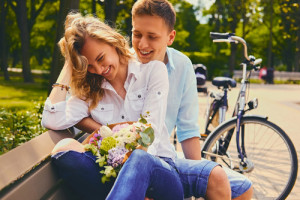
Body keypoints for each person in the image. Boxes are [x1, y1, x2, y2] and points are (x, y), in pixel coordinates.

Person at [76, 0, 254, 199]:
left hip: (167, 156)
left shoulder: (182, 65)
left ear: (170, 37)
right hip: (129, 158)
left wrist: (197, 183)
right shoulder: (117, 64)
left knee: (243, 187)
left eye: (152, 37)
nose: (142, 44)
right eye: (137, 34)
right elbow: (75, 107)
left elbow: (188, 130)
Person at [42, 12, 229, 199]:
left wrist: (136, 175)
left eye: (100, 58)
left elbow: (149, 134)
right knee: (64, 148)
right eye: (89, 65)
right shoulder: (90, 91)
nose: (98, 70)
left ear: (113, 42)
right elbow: (51, 119)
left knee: (139, 157)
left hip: (159, 170)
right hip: (114, 177)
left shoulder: (152, 71)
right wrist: (69, 63)